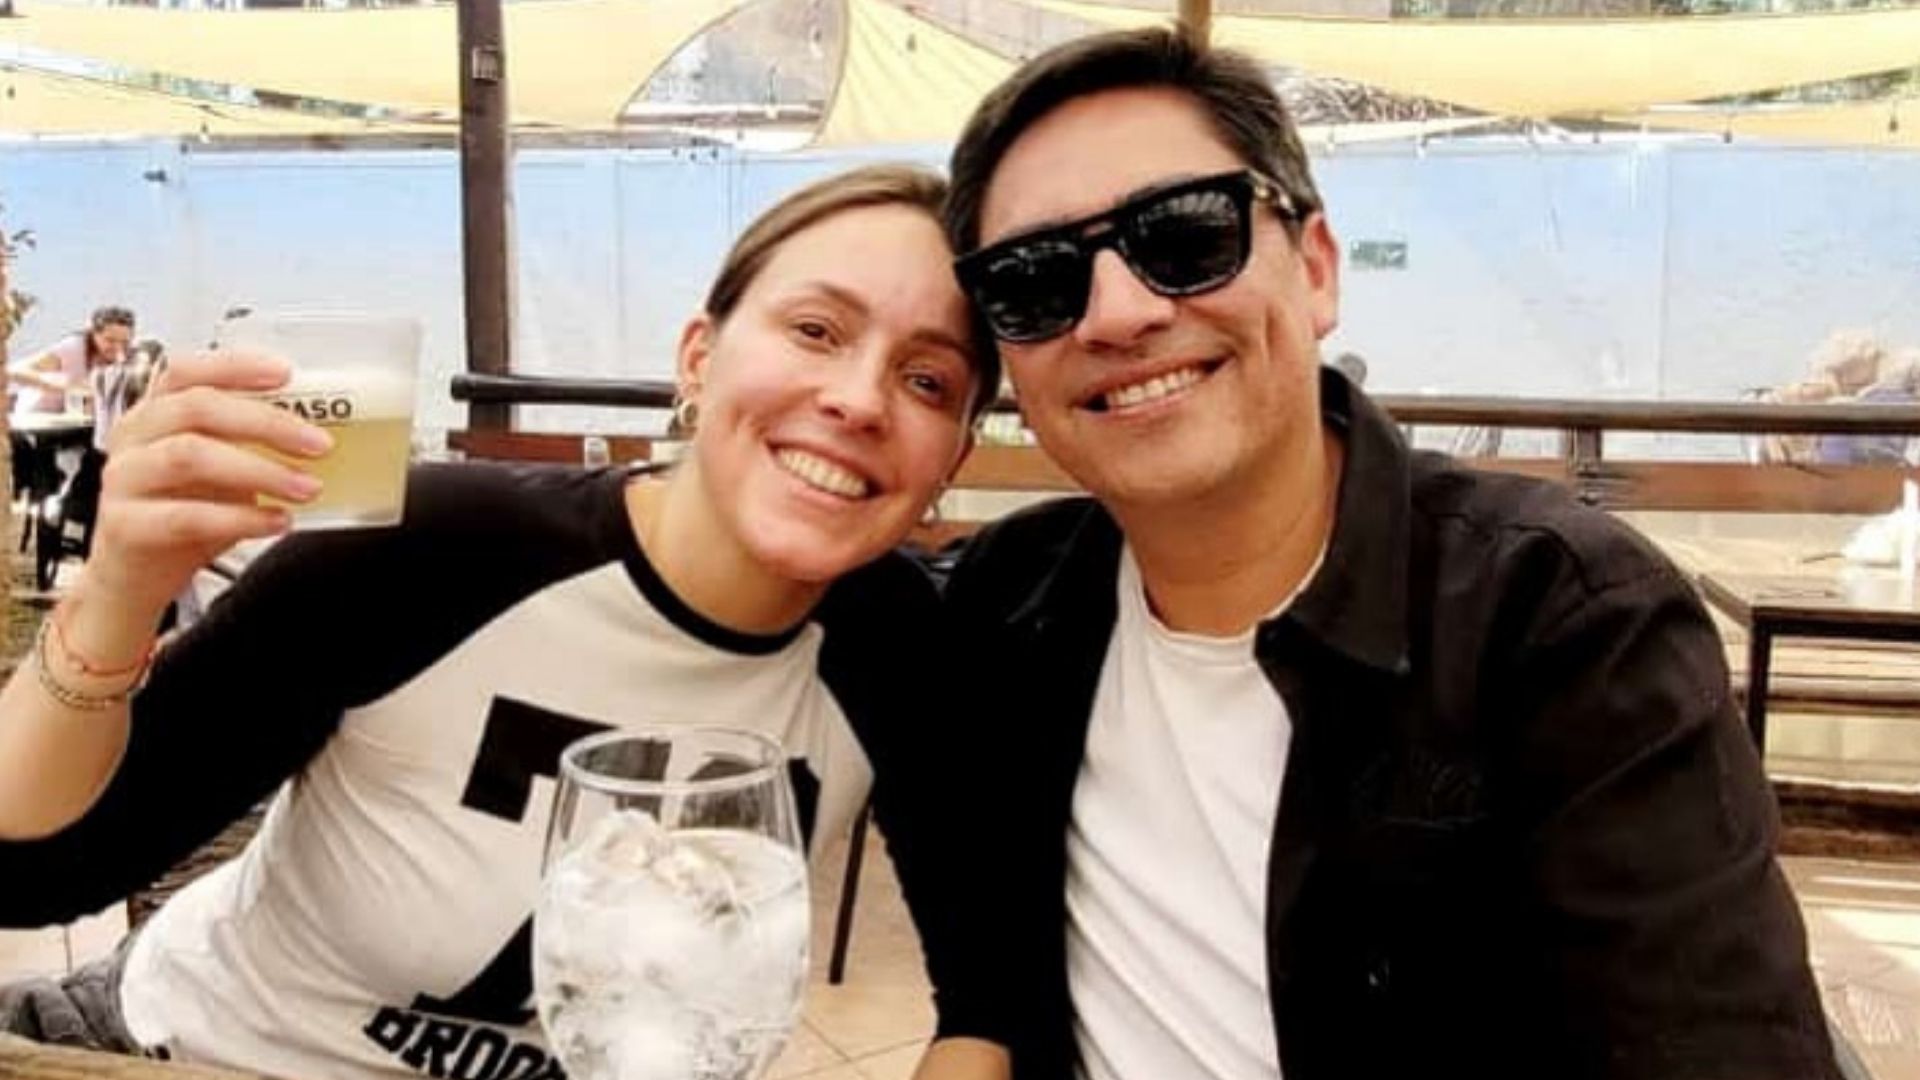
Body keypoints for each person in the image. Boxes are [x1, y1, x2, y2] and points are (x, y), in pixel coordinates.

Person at [928, 28, 1836, 1079]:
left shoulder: (1565, 626)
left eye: (1184, 234)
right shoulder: (1011, 603)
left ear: (1316, 269)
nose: (1118, 314)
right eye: (1034, 281)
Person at [0, 165, 1001, 1080]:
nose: (859, 400)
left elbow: (991, 1005)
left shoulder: (900, 648)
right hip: (187, 1053)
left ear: (951, 456)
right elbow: (33, 874)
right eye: (816, 330)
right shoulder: (430, 549)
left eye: (928, 381)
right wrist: (117, 591)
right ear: (698, 359)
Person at [9, 305, 135, 415]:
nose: (118, 348)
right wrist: (67, 387)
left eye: (125, 342)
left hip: (74, 422)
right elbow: (14, 371)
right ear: (94, 334)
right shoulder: (74, 348)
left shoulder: (127, 358)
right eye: (110, 340)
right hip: (37, 418)